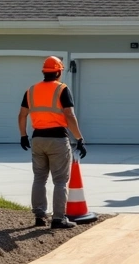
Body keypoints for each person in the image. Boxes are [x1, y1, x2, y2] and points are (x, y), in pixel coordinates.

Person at [18, 56, 88, 229]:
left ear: (44, 71)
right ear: (58, 72)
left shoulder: (31, 90)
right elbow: (69, 116)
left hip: (37, 139)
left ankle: (39, 216)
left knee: (39, 178)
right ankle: (58, 218)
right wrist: (79, 138)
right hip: (57, 139)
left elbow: (22, 115)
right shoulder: (62, 89)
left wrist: (23, 135)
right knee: (60, 181)